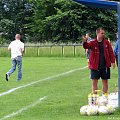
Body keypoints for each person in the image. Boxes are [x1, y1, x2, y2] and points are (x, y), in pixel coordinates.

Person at [82, 27, 115, 94]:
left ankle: (104, 97)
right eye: (102, 33)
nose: (103, 34)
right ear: (97, 33)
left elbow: (111, 51)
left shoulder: (106, 42)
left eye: (104, 33)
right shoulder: (92, 42)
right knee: (94, 82)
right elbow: (86, 46)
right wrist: (84, 42)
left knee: (105, 81)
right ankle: (94, 99)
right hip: (95, 66)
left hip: (105, 66)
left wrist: (113, 61)